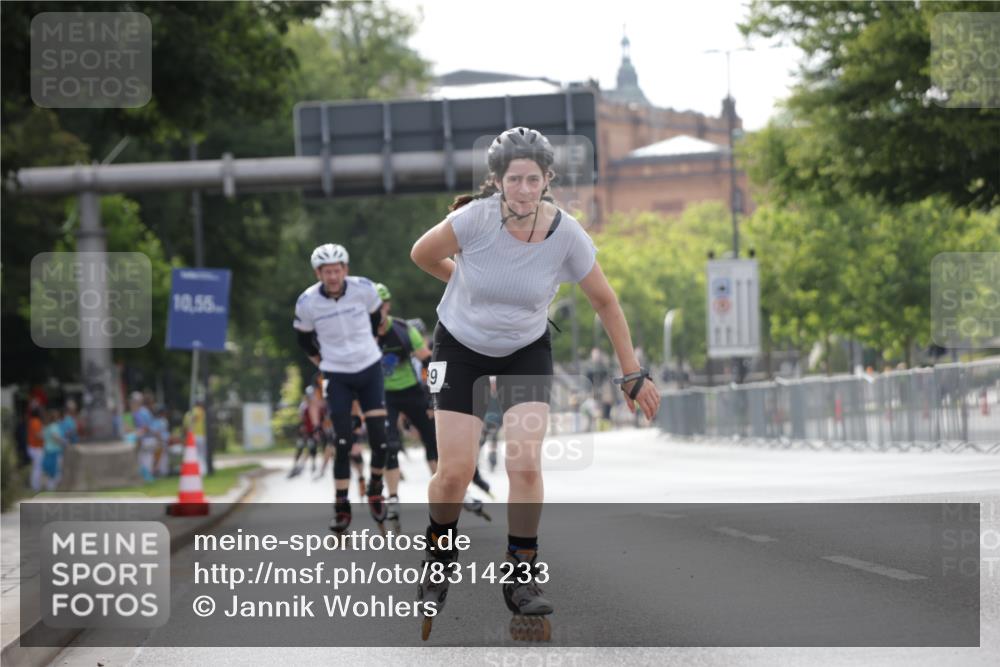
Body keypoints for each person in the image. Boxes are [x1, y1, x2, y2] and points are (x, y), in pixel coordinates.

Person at [410, 126, 660, 640]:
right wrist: (462, 279)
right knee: (455, 473)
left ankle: (520, 575)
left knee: (525, 463)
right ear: (497, 181)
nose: (523, 189)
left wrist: (631, 373)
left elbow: (606, 302)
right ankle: (438, 553)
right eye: (513, 180)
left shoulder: (567, 234)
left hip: (525, 350)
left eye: (533, 179)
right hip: (459, 347)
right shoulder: (472, 220)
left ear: (547, 180)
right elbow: (420, 253)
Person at [293, 243, 391, 533]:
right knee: (343, 441)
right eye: (327, 272)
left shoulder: (364, 288)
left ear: (345, 269)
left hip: (368, 367)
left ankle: (375, 487)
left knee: (380, 438)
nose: (333, 276)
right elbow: (303, 339)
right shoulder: (307, 302)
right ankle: (341, 505)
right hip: (336, 373)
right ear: (318, 273)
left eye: (337, 270)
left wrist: (369, 344)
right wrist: (322, 361)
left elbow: (376, 320)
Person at [373, 282, 437, 530]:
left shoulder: (402, 330)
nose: (376, 311)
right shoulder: (361, 332)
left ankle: (444, 493)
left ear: (387, 306)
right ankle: (393, 498)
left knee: (432, 440)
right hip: (383, 395)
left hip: (411, 391)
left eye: (380, 306)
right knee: (389, 445)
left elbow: (429, 361)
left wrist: (434, 396)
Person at [41, 408, 67, 491]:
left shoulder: (46, 427)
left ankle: (49, 488)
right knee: (56, 471)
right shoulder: (54, 426)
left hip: (47, 451)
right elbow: (55, 436)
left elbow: (42, 436)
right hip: (54, 451)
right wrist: (64, 442)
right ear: (55, 417)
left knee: (49, 471)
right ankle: (53, 489)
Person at [26, 406, 45, 492]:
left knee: (35, 467)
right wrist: (46, 436)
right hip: (35, 447)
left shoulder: (32, 421)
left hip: (33, 447)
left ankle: (34, 486)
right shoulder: (36, 421)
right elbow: (38, 435)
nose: (42, 413)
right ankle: (35, 487)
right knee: (37, 468)